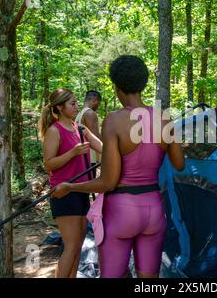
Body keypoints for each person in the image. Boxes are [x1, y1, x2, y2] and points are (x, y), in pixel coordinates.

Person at [52, 55, 185, 278]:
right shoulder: (164, 119)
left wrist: (70, 187)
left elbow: (108, 181)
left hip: (121, 210)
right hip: (154, 208)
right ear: (142, 84)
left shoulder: (114, 120)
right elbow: (179, 164)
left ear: (116, 86)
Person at [38, 88, 103, 278]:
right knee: (72, 247)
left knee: (77, 248)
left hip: (82, 190)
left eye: (76, 103)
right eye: (72, 104)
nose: (76, 106)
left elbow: (104, 147)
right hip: (64, 192)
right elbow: (49, 164)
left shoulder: (80, 129)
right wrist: (73, 152)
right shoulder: (54, 131)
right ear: (59, 107)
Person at [75, 90, 102, 177]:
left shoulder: (80, 113)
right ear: (95, 100)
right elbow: (96, 137)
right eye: (99, 103)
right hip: (89, 158)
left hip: (82, 156)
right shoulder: (90, 113)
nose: (98, 106)